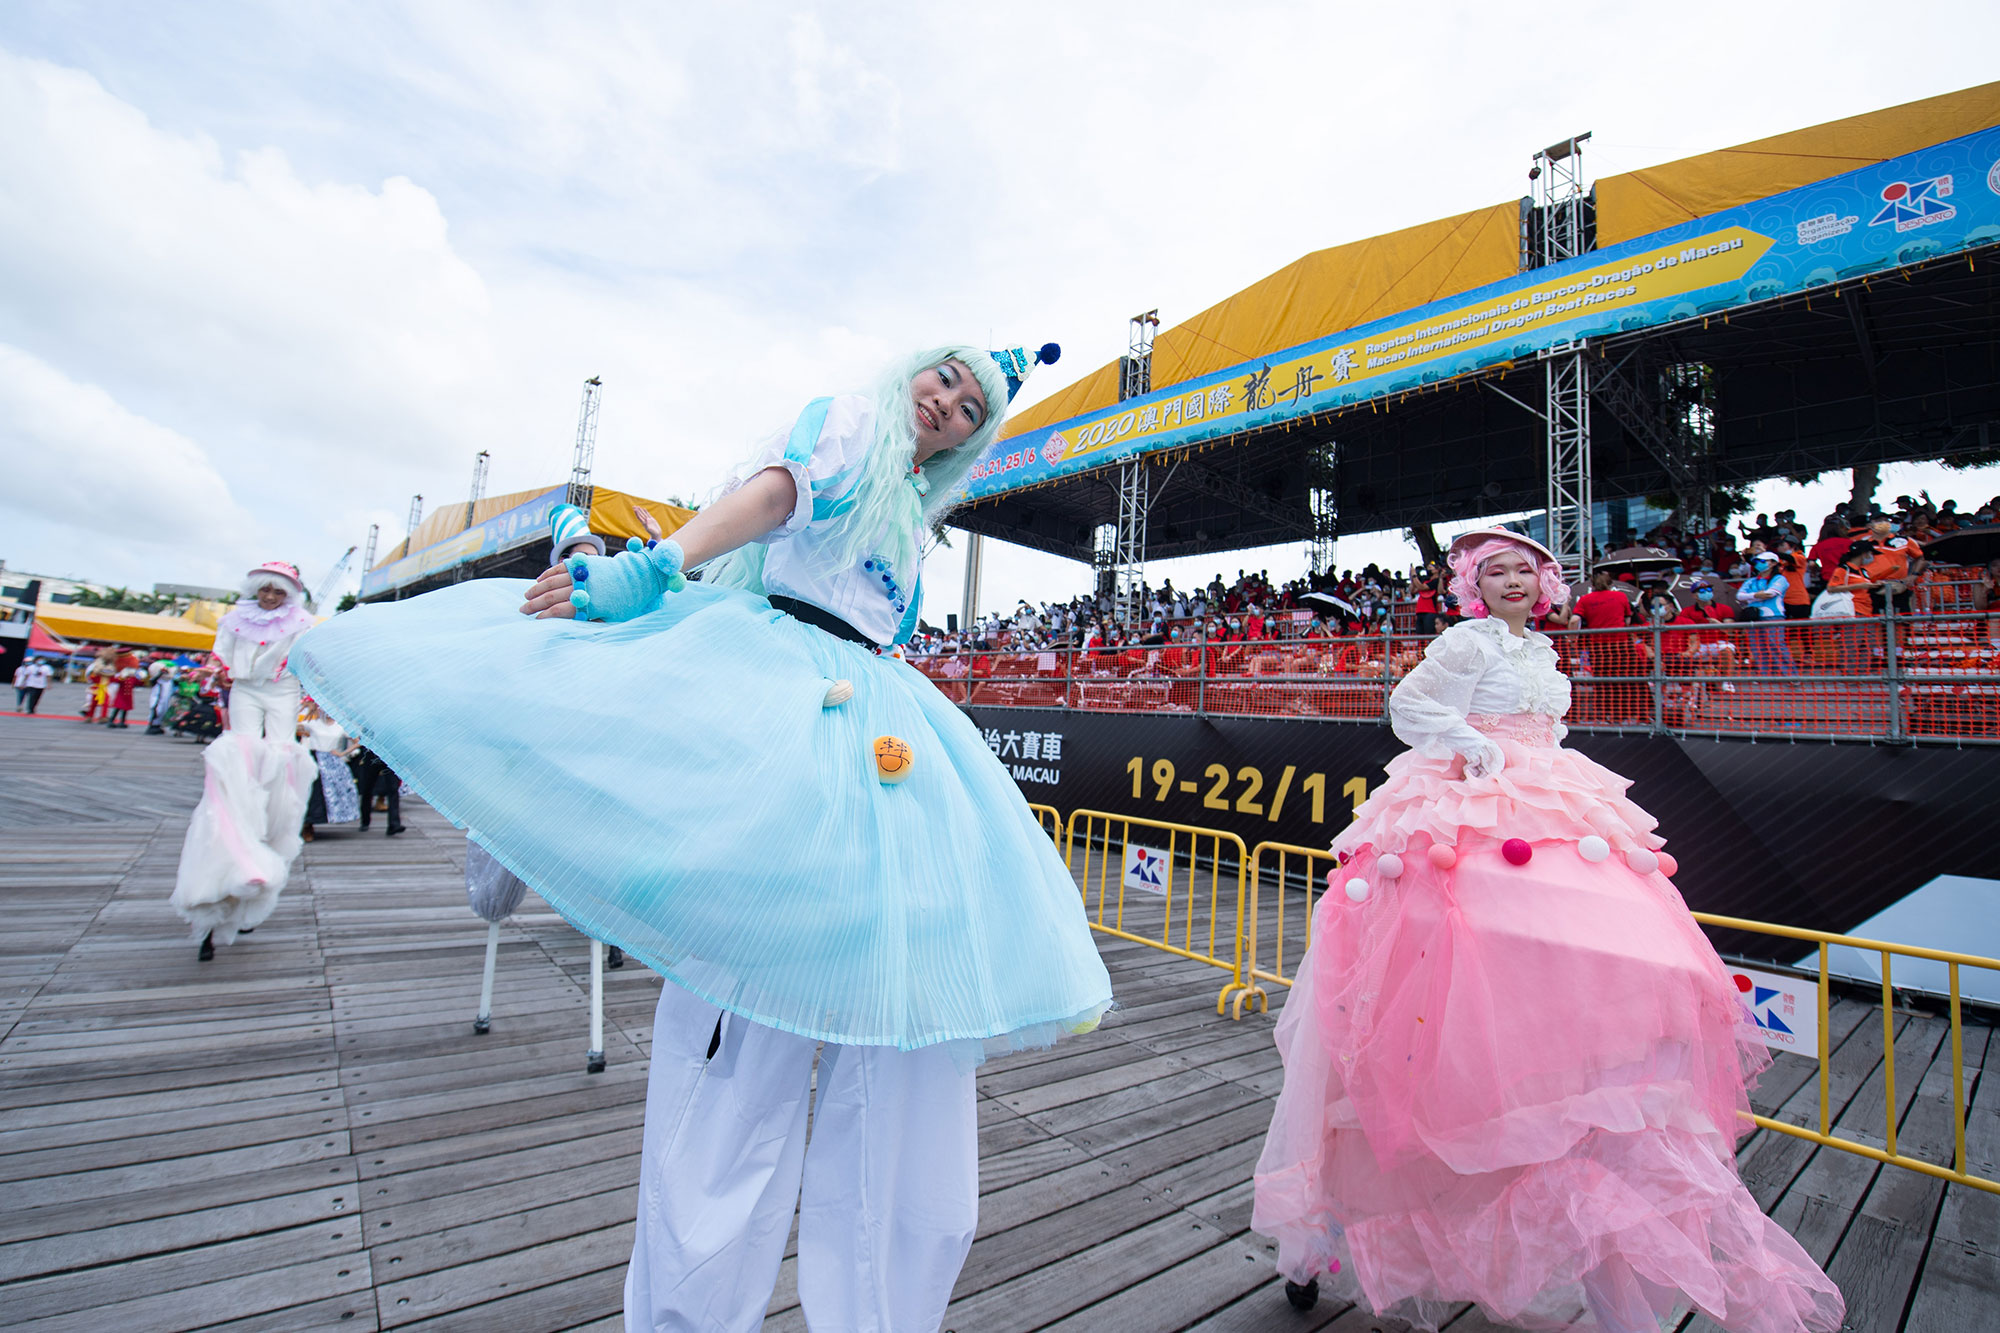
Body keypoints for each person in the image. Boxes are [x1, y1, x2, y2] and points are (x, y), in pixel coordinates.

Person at [289, 343, 1111, 1332]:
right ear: (911, 371)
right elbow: (773, 496)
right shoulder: (851, 426)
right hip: (791, 728)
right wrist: (655, 566)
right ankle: (699, 1313)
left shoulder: (909, 506)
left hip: (877, 758)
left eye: (969, 406)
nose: (946, 403)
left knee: (889, 1048)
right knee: (745, 1054)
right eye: (943, 379)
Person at [1252, 529, 1843, 1333]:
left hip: (1550, 804)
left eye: (1525, 572)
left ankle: (1570, 1112)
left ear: (1546, 584)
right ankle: (1330, 1228)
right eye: (1495, 572)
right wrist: (1471, 747)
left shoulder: (1542, 649)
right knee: (1428, 987)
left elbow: (1545, 727)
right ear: (1474, 586)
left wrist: (1530, 760)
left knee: (1605, 960)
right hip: (1471, 801)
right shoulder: (1465, 640)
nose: (1513, 582)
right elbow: (1409, 707)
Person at [169, 561, 320, 962]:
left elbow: (311, 663)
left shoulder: (303, 624)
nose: (270, 598)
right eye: (264, 591)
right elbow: (219, 656)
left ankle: (268, 820)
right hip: (245, 690)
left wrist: (313, 692)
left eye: (278, 592)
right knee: (240, 751)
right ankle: (236, 816)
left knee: (282, 756)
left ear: (289, 594)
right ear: (256, 590)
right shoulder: (236, 619)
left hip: (284, 691)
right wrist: (217, 672)